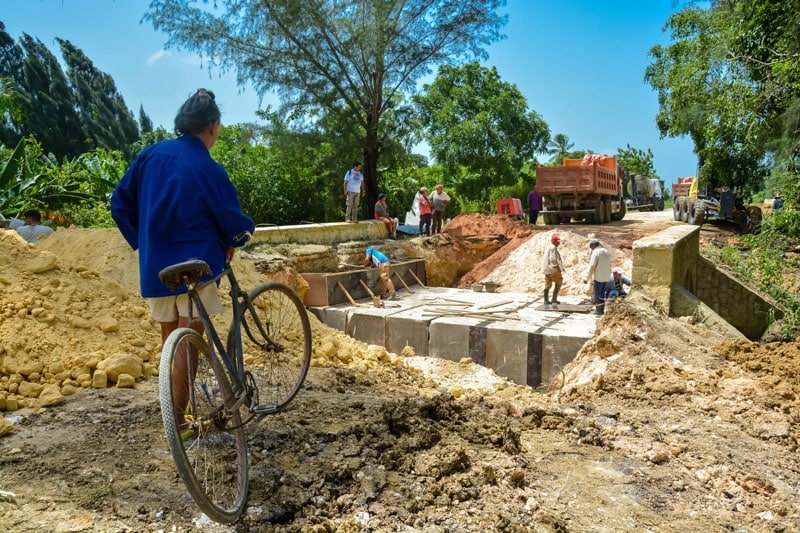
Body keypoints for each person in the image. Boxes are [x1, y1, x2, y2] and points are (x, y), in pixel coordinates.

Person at [110, 89, 255, 437]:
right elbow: (231, 220)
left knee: (170, 339)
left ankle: (174, 412)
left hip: (157, 266)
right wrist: (241, 237)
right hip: (198, 266)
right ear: (213, 126)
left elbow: (119, 204)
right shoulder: (207, 165)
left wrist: (142, 242)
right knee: (191, 339)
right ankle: (177, 420)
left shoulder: (149, 156)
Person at [583, 236, 611, 315]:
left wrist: (586, 278)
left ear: (595, 244)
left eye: (591, 245)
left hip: (599, 277)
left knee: (598, 294)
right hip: (606, 277)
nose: (590, 247)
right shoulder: (605, 251)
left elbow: (592, 266)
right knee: (603, 293)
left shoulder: (596, 252)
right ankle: (602, 309)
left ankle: (598, 311)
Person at [541, 233, 564, 306]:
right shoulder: (553, 247)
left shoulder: (548, 247)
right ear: (554, 242)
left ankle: (546, 300)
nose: (559, 243)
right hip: (552, 269)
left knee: (548, 284)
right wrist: (557, 268)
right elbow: (553, 258)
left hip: (546, 269)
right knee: (559, 282)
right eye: (558, 242)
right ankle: (554, 299)